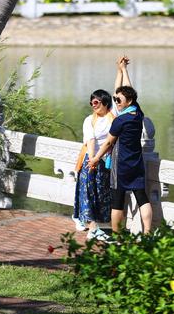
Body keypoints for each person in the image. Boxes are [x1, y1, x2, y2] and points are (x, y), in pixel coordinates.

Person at [87, 57, 153, 235]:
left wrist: (95, 158)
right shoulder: (137, 113)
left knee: (117, 200)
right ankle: (147, 233)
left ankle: (117, 236)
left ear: (128, 101)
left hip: (120, 164)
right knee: (142, 197)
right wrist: (123, 70)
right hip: (136, 162)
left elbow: (108, 142)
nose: (115, 101)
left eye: (118, 100)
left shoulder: (120, 121)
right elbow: (128, 90)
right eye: (115, 99)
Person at [72, 89, 115, 241]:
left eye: (96, 102)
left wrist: (121, 70)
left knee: (100, 192)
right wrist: (92, 160)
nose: (93, 105)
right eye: (91, 102)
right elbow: (90, 140)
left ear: (105, 102)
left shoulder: (112, 118)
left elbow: (120, 93)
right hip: (90, 161)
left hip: (104, 162)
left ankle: (89, 222)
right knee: (87, 192)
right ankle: (92, 227)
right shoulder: (89, 120)